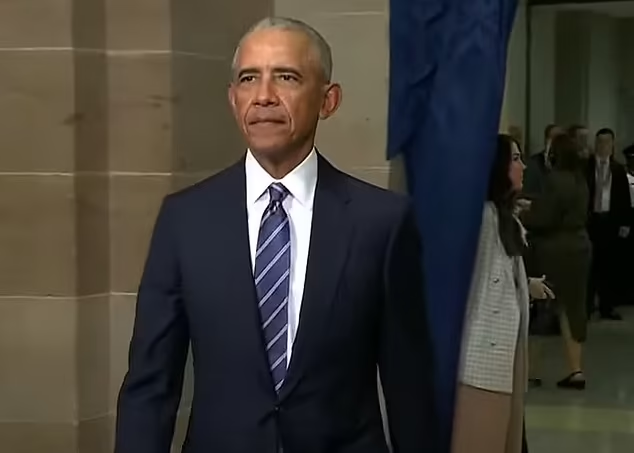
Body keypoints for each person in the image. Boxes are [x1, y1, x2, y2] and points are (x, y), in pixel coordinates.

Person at [114, 16, 437, 453]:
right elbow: (150, 386)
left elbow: (409, 387)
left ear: (329, 100)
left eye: (286, 77)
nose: (264, 96)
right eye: (249, 79)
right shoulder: (185, 220)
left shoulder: (382, 221)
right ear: (232, 99)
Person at [452, 134, 553, 453]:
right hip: (482, 357)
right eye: (515, 158)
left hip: (507, 353)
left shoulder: (503, 217)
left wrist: (529, 285)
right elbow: (470, 283)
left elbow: (500, 275)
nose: (523, 166)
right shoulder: (483, 219)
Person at [522, 134, 592, 390]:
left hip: (553, 250)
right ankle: (576, 370)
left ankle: (530, 371)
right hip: (579, 246)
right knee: (573, 310)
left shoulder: (554, 180)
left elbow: (545, 218)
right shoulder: (580, 180)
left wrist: (524, 213)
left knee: (543, 307)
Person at [585, 128, 631, 320]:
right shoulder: (586, 166)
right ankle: (587, 306)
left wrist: (625, 223)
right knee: (590, 264)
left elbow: (624, 198)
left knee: (608, 265)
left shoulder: (618, 169)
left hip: (610, 221)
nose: (603, 146)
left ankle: (607, 305)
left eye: (607, 142)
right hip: (591, 220)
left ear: (612, 145)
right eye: (600, 142)